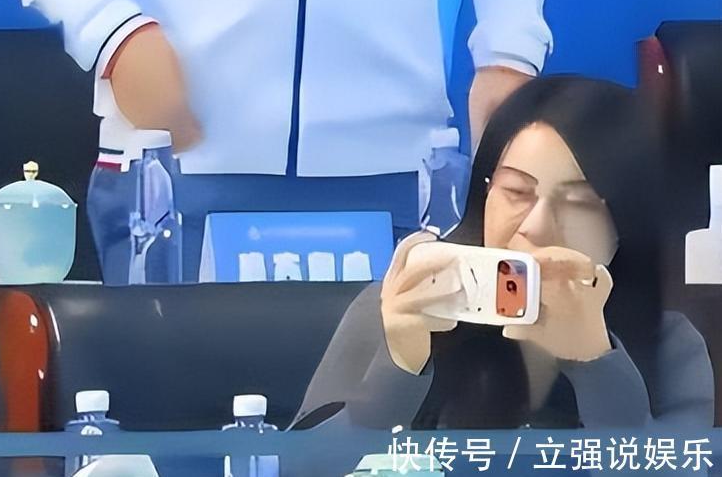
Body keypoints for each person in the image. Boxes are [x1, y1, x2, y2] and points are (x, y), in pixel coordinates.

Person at [0, 0, 557, 283]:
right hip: (174, 158)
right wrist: (110, 31)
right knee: (178, 418)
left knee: (393, 414)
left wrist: (510, 48)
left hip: (402, 163)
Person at [292, 76, 714, 430]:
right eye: (516, 191)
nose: (537, 226)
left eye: (579, 201)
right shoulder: (403, 305)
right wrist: (398, 367)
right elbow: (297, 466)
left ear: (626, 221)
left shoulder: (669, 343)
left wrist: (596, 362)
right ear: (485, 196)